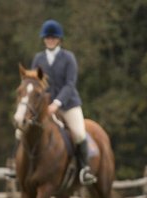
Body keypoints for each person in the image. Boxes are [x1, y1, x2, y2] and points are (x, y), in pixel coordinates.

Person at [30, 19, 96, 185]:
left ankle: (85, 169)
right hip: (44, 106)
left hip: (68, 104)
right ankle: (18, 168)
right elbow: (34, 83)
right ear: (44, 39)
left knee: (79, 133)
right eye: (47, 38)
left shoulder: (68, 58)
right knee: (22, 128)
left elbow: (70, 84)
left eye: (53, 38)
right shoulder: (38, 59)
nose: (50, 40)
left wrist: (57, 103)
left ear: (59, 39)